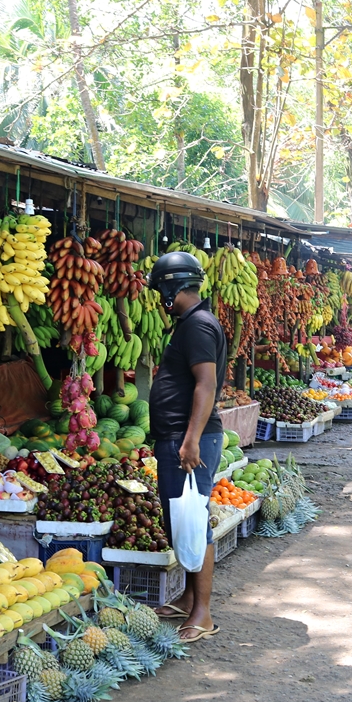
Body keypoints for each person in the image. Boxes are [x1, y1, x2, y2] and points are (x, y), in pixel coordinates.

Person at [146, 251, 227, 643]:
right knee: (182, 519)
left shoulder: (197, 326)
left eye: (161, 287)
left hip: (188, 439)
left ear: (172, 286)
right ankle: (188, 597)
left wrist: (190, 439)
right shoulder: (192, 323)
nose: (159, 296)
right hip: (180, 437)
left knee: (194, 521)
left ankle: (202, 613)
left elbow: (205, 385)